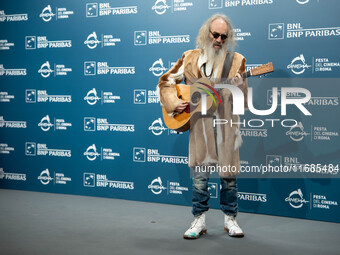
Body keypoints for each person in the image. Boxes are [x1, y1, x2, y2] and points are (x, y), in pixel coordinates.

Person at [157, 14, 248, 239]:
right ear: (206, 33)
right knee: (200, 177)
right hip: (200, 127)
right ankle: (199, 220)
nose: (218, 39)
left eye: (223, 36)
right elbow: (166, 81)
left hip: (226, 127)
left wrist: (238, 88)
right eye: (215, 34)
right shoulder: (189, 58)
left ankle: (230, 219)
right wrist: (175, 103)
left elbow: (243, 100)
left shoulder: (237, 61)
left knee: (229, 178)